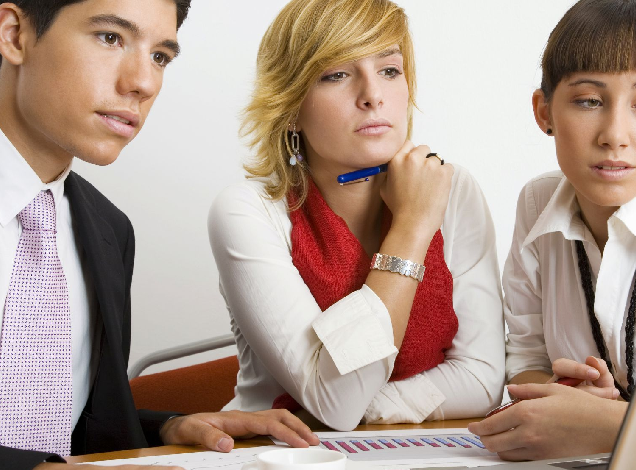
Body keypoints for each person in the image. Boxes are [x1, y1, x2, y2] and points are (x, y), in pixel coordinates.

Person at [0, 1, 317, 470]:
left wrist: (166, 427)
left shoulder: (109, 230)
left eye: (160, 57)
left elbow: (56, 428)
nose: (143, 83)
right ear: (15, 34)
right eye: (110, 37)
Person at [208, 0, 505, 432]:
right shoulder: (247, 210)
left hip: (413, 451)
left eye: (389, 70)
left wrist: (368, 408)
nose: (373, 95)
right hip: (274, 457)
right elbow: (337, 401)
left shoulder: (452, 187)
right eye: (337, 75)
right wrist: (412, 227)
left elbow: (482, 379)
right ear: (289, 108)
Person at [468, 0, 636, 461]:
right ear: (544, 112)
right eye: (589, 101)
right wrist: (566, 396)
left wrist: (603, 424)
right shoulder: (537, 203)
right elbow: (527, 364)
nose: (614, 134)